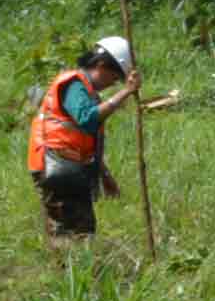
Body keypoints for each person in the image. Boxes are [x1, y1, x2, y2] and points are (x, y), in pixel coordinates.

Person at [26, 36, 141, 242]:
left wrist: (104, 175)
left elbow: (87, 139)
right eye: (114, 78)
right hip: (57, 165)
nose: (112, 84)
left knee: (80, 231)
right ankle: (72, 271)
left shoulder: (86, 91)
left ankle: (74, 270)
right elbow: (87, 119)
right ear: (101, 64)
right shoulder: (74, 85)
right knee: (72, 233)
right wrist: (125, 93)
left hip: (66, 166)